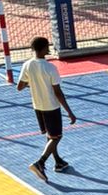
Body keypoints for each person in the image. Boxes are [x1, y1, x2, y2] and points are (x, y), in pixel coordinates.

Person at [18, 35, 76, 183]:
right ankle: (40, 162)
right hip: (51, 106)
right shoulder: (50, 68)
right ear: (44, 48)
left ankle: (58, 162)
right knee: (57, 137)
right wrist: (69, 111)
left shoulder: (27, 65)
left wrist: (34, 82)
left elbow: (20, 86)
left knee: (51, 136)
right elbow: (58, 92)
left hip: (37, 106)